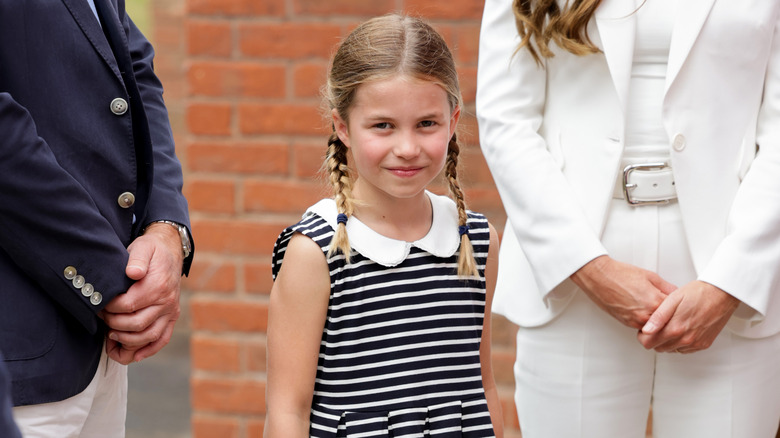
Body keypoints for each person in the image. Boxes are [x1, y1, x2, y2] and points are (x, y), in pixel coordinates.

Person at [476, 0, 780, 437]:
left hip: (727, 277)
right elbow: (507, 120)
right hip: (574, 278)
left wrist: (732, 280)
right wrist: (587, 267)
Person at [264, 14, 503, 438]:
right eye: (383, 126)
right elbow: (288, 412)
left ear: (453, 121)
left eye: (426, 123)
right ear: (343, 128)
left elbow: (482, 386)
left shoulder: (476, 240)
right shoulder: (315, 250)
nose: (407, 148)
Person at [0, 0, 193, 436]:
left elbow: (132, 64)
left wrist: (164, 228)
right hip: (21, 363)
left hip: (102, 354)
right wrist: (114, 282)